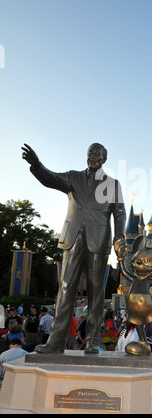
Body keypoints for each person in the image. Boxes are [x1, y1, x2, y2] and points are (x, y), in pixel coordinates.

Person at [22, 142, 126, 355]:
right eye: (90, 153)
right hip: (73, 239)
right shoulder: (73, 177)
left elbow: (120, 213)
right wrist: (37, 165)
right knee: (66, 287)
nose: (92, 157)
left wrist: (119, 237)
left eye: (97, 154)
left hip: (99, 241)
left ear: (104, 159)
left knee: (96, 291)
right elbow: (50, 178)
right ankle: (56, 340)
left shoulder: (113, 184)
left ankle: (92, 339)